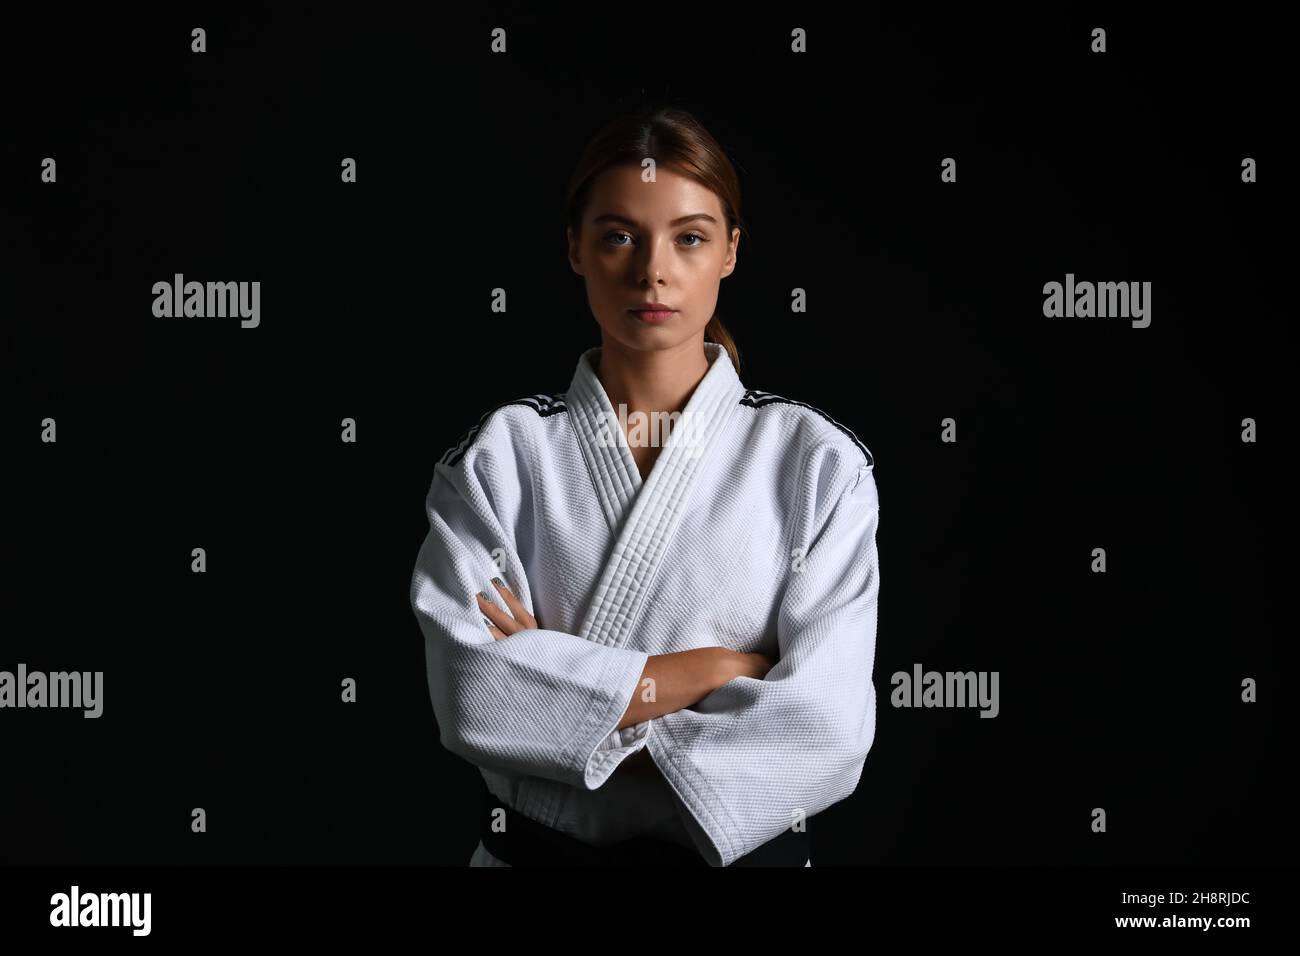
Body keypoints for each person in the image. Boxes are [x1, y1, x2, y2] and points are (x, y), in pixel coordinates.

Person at [409, 106, 881, 867]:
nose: (651, 270)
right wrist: (715, 672)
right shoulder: (503, 456)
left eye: (689, 237)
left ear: (730, 251)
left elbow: (825, 726)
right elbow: (473, 695)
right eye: (618, 235)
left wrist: (565, 706)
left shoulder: (814, 461)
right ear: (575, 248)